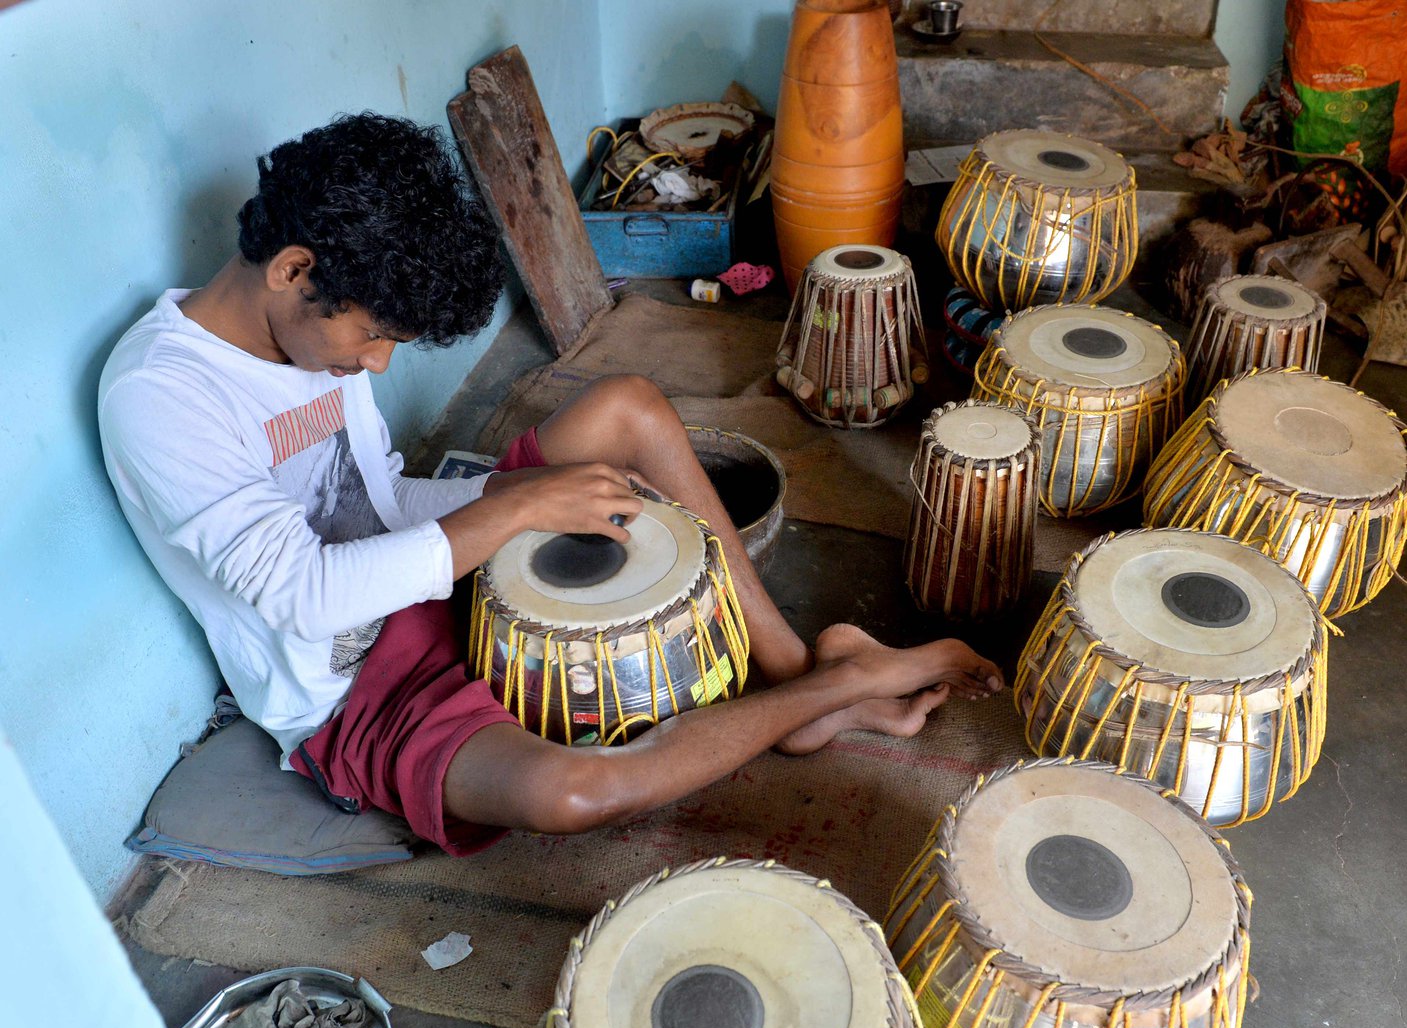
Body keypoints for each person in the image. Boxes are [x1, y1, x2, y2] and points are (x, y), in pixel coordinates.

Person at [99, 112, 1003, 856]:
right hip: (359, 687)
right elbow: (302, 596)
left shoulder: (314, 343)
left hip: (430, 574)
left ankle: (794, 659)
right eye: (373, 336)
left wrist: (511, 505)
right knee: (574, 795)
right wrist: (520, 508)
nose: (374, 366)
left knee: (627, 411)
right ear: (294, 270)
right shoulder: (162, 395)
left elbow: (386, 500)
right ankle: (823, 697)